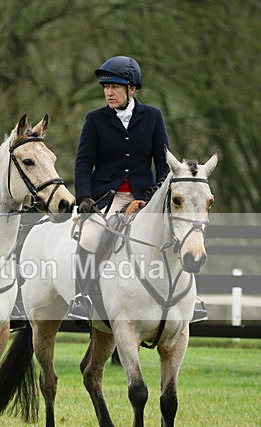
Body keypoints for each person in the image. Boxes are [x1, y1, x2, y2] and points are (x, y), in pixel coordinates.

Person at [67, 55, 208, 325]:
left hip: (146, 198)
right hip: (106, 198)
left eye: (115, 87)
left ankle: (193, 299)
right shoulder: (94, 119)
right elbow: (84, 162)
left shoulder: (153, 116)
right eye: (106, 87)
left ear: (132, 89)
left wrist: (154, 195)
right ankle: (82, 296)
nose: (109, 92)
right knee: (89, 236)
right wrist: (84, 197)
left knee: (180, 234)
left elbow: (163, 162)